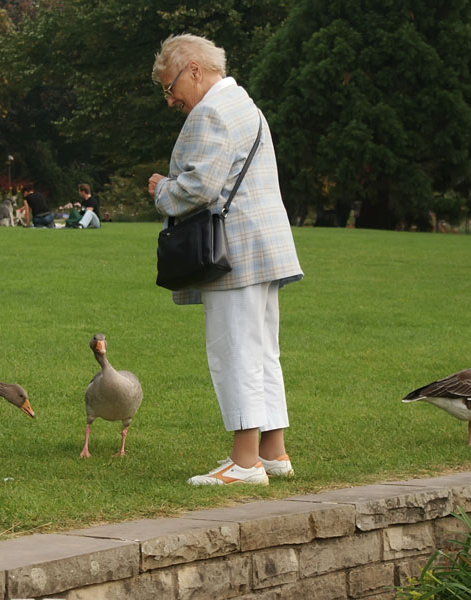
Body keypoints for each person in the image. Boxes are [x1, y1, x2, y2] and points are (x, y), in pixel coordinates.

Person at [147, 34, 303, 486]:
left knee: (234, 351)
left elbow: (201, 187)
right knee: (261, 351)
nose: (170, 98)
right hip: (261, 248)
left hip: (233, 253)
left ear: (194, 69)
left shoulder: (212, 111)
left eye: (170, 85)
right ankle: (273, 453)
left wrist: (161, 189)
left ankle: (245, 463)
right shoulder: (244, 105)